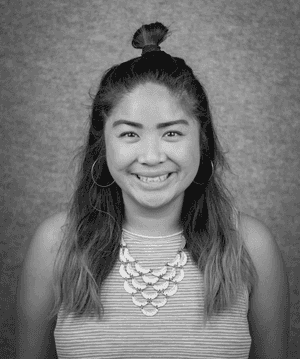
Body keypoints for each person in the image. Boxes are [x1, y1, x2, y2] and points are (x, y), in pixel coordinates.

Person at [16, 22, 290, 359]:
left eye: (172, 133)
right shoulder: (55, 243)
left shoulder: (252, 246)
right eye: (129, 134)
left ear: (201, 140)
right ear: (103, 144)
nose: (151, 157)